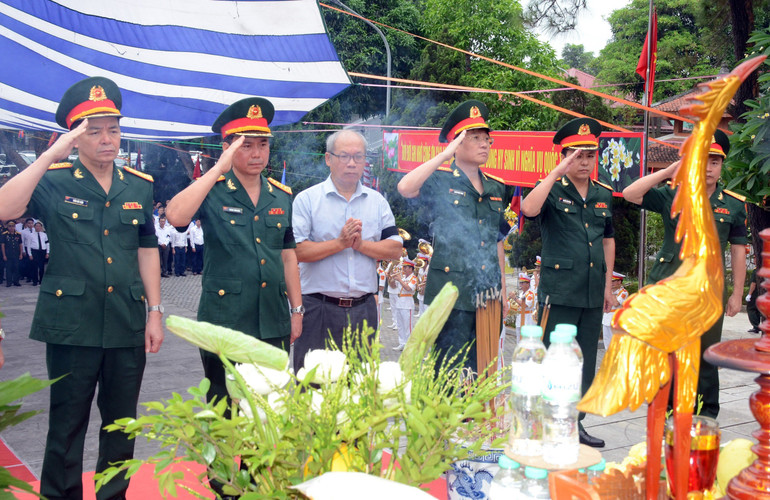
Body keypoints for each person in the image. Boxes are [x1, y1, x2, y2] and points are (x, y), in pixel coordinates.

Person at [0, 76, 163, 499]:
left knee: (122, 425)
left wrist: (155, 312)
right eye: (94, 132)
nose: (107, 139)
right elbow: (5, 208)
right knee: (67, 424)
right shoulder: (54, 179)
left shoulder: (139, 185)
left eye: (113, 129)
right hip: (72, 323)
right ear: (75, 137)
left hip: (126, 320)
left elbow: (147, 249)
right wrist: (50, 155)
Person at [166, 97, 302, 406]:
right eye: (246, 145)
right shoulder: (212, 189)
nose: (257, 153)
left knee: (271, 408)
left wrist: (296, 311)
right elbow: (175, 216)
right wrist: (218, 168)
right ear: (227, 147)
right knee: (224, 407)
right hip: (225, 321)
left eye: (263, 145)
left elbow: (288, 256)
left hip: (272, 320)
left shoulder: (280, 196)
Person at [622, 129, 747, 418]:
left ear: (722, 165)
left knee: (705, 353)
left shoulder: (733, 205)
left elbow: (739, 251)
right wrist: (669, 171)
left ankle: (705, 414)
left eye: (715, 162)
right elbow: (630, 194)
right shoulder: (673, 195)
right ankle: (666, 412)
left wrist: (737, 294)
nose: (709, 168)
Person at [520, 117, 616, 448]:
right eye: (576, 156)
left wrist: (608, 286)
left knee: (584, 360)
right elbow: (528, 209)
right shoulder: (551, 189)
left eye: (589, 155)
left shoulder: (603, 193)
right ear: (564, 157)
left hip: (591, 290)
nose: (584, 162)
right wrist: (554, 174)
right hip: (559, 291)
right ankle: (544, 422)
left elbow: (607, 240)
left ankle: (574, 422)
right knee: (551, 356)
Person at [397, 100, 509, 373]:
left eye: (486, 139)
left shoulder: (496, 187)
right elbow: (405, 188)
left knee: (482, 372)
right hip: (451, 292)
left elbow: (497, 242)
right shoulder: (440, 179)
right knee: (446, 373)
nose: (484, 144)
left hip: (487, 293)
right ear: (457, 144)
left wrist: (504, 291)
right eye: (475, 138)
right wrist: (444, 155)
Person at [292, 130, 402, 372]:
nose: (352, 163)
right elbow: (297, 251)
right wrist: (340, 243)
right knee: (314, 385)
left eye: (358, 157)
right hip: (318, 309)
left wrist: (361, 245)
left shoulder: (377, 202)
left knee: (359, 385)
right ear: (328, 158)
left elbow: (395, 248)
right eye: (344, 156)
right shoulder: (307, 200)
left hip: (363, 310)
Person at [390, 258, 417, 351]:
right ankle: (402, 343)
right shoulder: (403, 277)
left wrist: (399, 279)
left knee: (407, 326)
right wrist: (392, 279)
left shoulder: (413, 278)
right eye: (403, 267)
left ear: (411, 268)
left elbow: (408, 288)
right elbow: (393, 286)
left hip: (407, 305)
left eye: (405, 267)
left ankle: (409, 345)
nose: (403, 269)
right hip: (399, 303)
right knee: (400, 325)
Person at [602, 271, 628, 349]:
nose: (611, 283)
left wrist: (611, 293)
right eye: (610, 281)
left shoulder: (623, 292)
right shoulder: (608, 291)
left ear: (619, 282)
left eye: (613, 281)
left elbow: (616, 303)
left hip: (616, 320)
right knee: (607, 342)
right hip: (606, 319)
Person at [28, 221, 49, 286]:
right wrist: (30, 254)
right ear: (34, 227)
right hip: (35, 251)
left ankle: (41, 281)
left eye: (39, 226)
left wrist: (47, 253)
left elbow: (47, 244)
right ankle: (35, 281)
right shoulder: (31, 235)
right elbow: (28, 245)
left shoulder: (44, 235)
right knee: (34, 267)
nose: (38, 227)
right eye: (37, 226)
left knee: (41, 267)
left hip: (42, 252)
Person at [2, 220, 23, 287]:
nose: (11, 228)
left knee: (16, 268)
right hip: (8, 254)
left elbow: (20, 244)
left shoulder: (18, 234)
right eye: (10, 226)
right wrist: (4, 255)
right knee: (8, 268)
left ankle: (16, 281)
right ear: (7, 227)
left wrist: (21, 254)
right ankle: (9, 282)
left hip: (16, 254)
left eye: (13, 226)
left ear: (15, 227)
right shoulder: (4, 234)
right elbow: (3, 245)